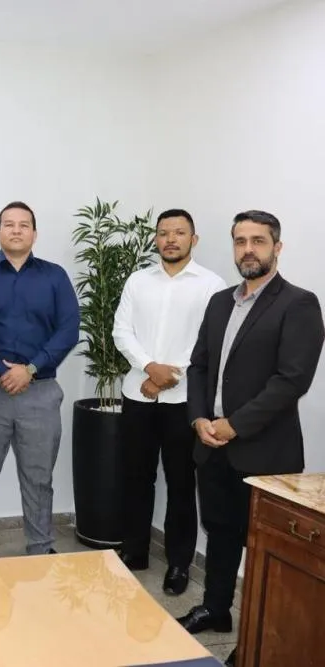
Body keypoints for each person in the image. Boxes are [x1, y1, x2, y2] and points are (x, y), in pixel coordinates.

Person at [178, 210, 324, 667]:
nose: (248, 249)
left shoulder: (299, 303)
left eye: (258, 241)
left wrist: (234, 424)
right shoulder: (221, 301)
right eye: (240, 240)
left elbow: (291, 380)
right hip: (212, 442)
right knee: (220, 533)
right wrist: (200, 418)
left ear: (277, 247)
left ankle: (256, 638)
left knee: (262, 553)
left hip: (263, 451)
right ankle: (217, 609)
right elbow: (199, 365)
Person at [111, 208, 226, 594]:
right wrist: (148, 367)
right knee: (136, 477)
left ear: (194, 240)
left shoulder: (212, 285)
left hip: (184, 402)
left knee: (180, 483)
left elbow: (208, 344)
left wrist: (166, 376)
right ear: (155, 239)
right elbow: (121, 331)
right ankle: (135, 551)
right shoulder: (138, 280)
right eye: (163, 233)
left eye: (179, 232)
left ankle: (178, 563)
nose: (170, 239)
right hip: (137, 394)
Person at [0, 201, 80, 558]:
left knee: (39, 477)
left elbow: (69, 328)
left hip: (40, 392)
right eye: (8, 224)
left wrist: (29, 369)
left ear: (34, 233)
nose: (16, 230)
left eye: (23, 225)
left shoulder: (55, 276)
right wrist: (1, 369)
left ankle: (41, 546)